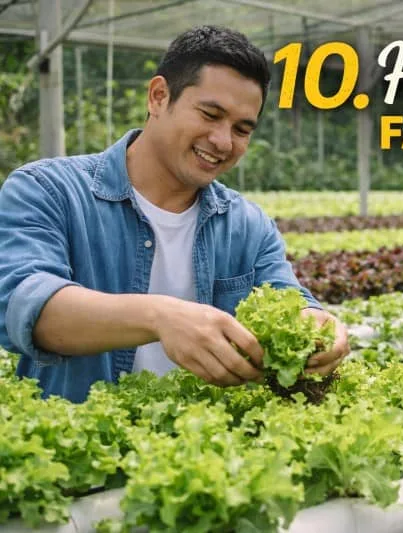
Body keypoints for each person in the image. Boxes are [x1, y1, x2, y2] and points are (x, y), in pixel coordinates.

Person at [0, 25, 349, 403]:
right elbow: (26, 307)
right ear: (159, 96)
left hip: (206, 456)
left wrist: (317, 323)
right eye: (210, 114)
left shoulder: (248, 225)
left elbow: (289, 299)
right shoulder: (47, 191)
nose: (223, 141)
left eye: (242, 129)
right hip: (79, 456)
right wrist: (159, 317)